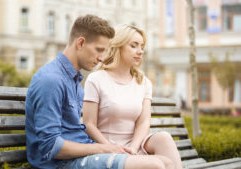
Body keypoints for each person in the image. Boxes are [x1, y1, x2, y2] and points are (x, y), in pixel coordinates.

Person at [26, 15, 175, 169]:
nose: (102, 58)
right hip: (61, 164)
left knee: (167, 163)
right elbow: (50, 146)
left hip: (80, 156)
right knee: (154, 165)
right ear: (81, 43)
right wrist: (104, 148)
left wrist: (106, 149)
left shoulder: (73, 79)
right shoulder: (51, 80)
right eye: (99, 50)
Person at [83, 25, 183, 169]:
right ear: (118, 46)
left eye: (142, 47)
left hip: (134, 148)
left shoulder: (144, 82)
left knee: (164, 138)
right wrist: (111, 148)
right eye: (134, 46)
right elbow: (89, 124)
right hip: (106, 149)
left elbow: (143, 122)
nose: (140, 51)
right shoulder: (96, 79)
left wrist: (134, 149)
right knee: (159, 165)